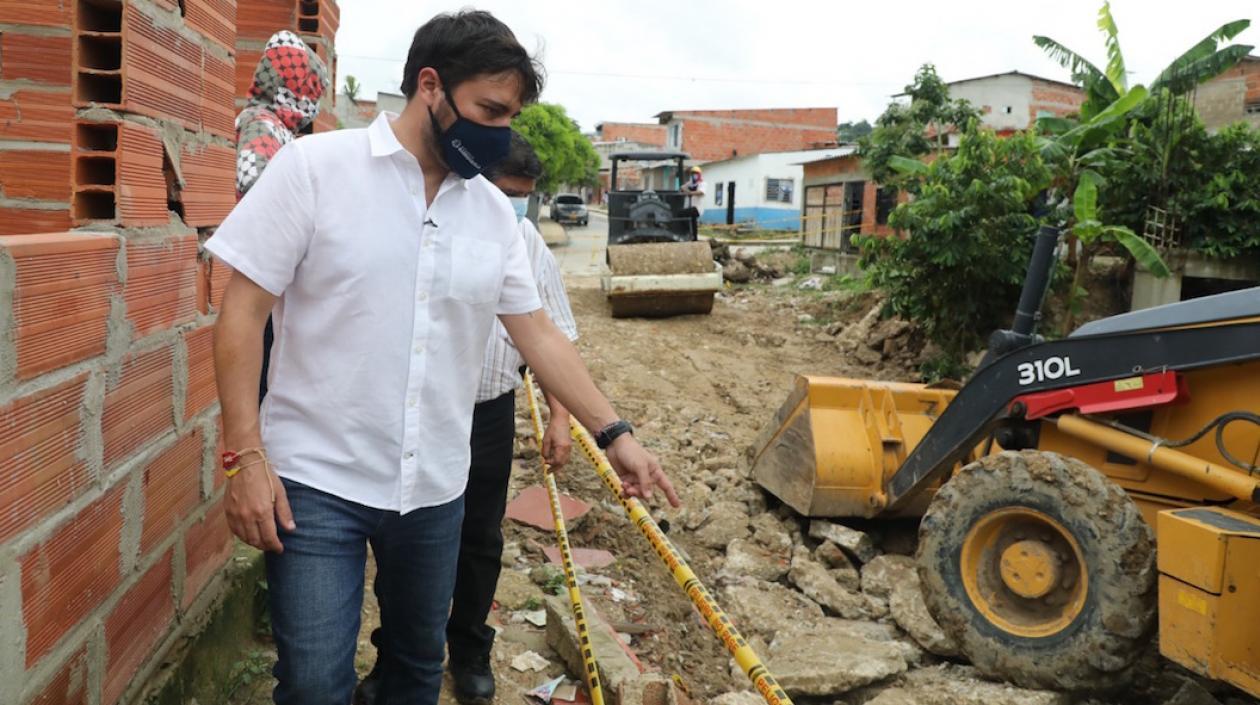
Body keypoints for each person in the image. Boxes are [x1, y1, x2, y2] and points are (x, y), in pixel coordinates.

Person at [206, 10, 680, 705]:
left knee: (416, 671)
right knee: (312, 683)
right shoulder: (315, 171)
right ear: (430, 86)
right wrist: (243, 455)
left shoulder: (492, 216)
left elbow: (540, 334)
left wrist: (616, 433)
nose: (500, 131)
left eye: (510, 116)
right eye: (489, 110)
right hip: (314, 480)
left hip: (432, 489)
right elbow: (240, 312)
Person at [354, 133, 577, 705]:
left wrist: (560, 419)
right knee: (404, 538)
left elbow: (556, 338)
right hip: (419, 410)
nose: (515, 206)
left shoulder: (526, 242)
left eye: (525, 196)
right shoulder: (430, 226)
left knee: (479, 537)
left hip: (488, 413)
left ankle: (470, 648)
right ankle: (394, 653)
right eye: (507, 192)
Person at [233, 30, 330, 403]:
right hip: (266, 276)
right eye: (310, 89)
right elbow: (255, 190)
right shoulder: (262, 125)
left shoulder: (281, 131)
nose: (313, 104)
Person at [681, 164, 705, 237]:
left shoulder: (702, 184)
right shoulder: (690, 183)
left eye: (696, 174)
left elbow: (701, 192)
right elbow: (682, 187)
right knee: (691, 221)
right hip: (689, 207)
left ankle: (693, 235)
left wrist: (690, 193)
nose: (694, 175)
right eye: (693, 174)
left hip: (696, 207)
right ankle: (692, 236)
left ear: (699, 175)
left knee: (682, 214)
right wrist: (687, 190)